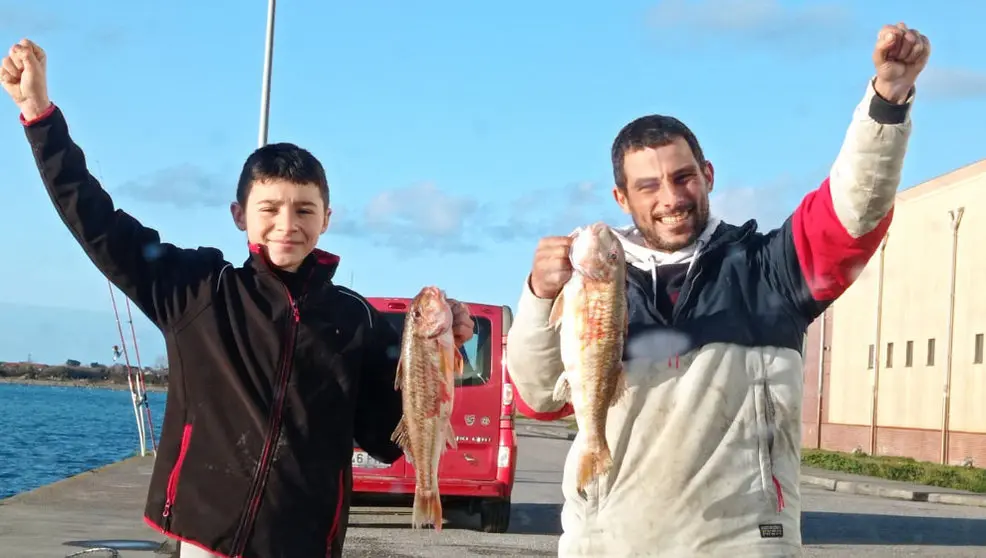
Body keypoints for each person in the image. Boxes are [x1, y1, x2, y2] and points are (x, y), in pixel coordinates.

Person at [1, 39, 474, 558]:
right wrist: (38, 115)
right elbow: (97, 222)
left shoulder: (357, 319)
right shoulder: (199, 289)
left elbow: (389, 436)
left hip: (306, 543)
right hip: (206, 538)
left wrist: (450, 348)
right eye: (269, 208)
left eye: (304, 210)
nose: (287, 225)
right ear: (239, 215)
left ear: (327, 219)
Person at [507, 23, 930, 557]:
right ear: (621, 198)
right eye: (648, 186)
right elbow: (539, 398)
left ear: (707, 174)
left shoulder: (768, 270)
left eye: (683, 177)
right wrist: (539, 295)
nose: (671, 197)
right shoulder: (595, 285)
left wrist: (886, 102)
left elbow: (853, 215)